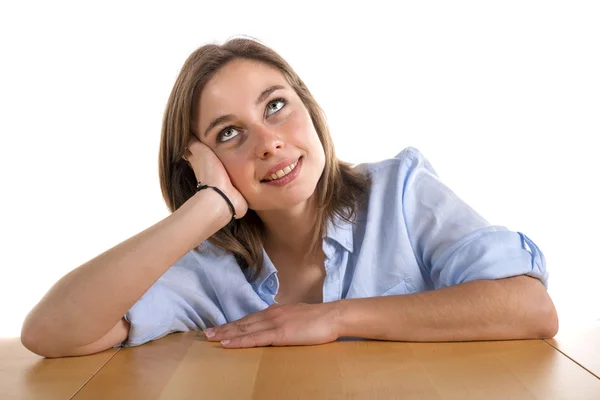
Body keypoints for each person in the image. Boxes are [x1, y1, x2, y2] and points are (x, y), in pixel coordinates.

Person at [20, 38, 558, 358]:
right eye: (229, 134)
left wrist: (337, 318)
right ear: (202, 165)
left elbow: (530, 308)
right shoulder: (207, 266)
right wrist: (208, 207)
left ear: (308, 106)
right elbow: (51, 333)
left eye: (275, 106)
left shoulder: (401, 190)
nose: (268, 141)